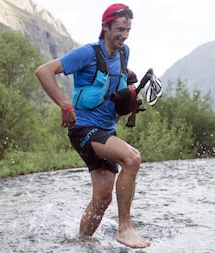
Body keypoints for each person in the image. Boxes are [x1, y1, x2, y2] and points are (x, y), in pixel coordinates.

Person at [35, 3, 150, 249]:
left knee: (102, 198)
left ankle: (80, 244)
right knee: (132, 158)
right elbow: (44, 71)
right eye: (120, 29)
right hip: (84, 129)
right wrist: (65, 104)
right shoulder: (87, 54)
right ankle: (125, 229)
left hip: (106, 130)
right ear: (105, 27)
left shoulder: (123, 52)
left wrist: (128, 100)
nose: (124, 34)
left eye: (128, 29)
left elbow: (114, 86)